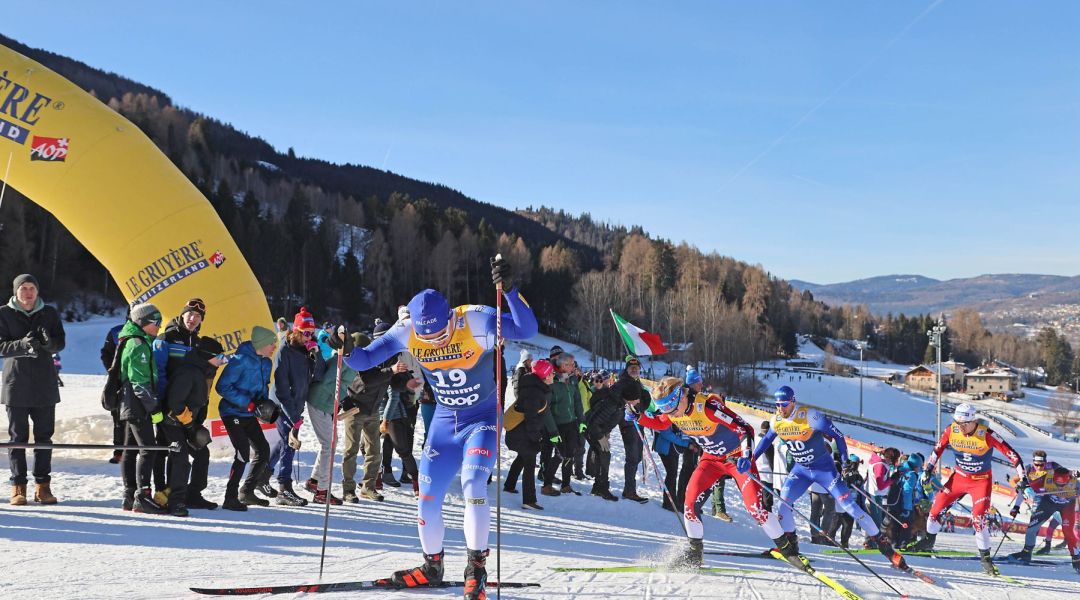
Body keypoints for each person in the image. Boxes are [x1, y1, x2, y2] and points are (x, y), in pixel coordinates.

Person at [340, 256, 537, 600]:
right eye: (426, 339)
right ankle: (432, 566)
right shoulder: (405, 330)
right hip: (445, 423)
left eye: (442, 335)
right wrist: (344, 348)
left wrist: (510, 290)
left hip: (481, 420)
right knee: (427, 497)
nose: (436, 344)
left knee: (474, 483)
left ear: (451, 317)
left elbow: (527, 329)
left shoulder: (474, 319)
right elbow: (365, 359)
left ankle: (476, 567)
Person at [629, 376, 792, 568]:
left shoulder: (707, 406)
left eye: (670, 409)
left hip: (736, 458)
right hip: (711, 460)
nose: (670, 414)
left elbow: (745, 429)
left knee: (755, 508)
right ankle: (695, 554)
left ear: (681, 397)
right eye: (664, 409)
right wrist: (640, 417)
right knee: (689, 504)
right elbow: (662, 423)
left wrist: (746, 456)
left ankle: (788, 550)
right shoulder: (672, 410)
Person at [747, 385, 912, 571]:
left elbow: (838, 436)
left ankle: (887, 550)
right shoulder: (776, 420)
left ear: (793, 401)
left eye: (784, 404)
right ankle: (791, 547)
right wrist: (750, 458)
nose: (780, 408)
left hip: (825, 471)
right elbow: (767, 439)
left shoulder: (810, 416)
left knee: (851, 507)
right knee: (782, 505)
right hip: (801, 471)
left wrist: (845, 463)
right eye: (777, 404)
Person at [917, 402, 1025, 575]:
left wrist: (1023, 476)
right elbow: (938, 449)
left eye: (963, 424)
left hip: (980, 482)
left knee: (978, 519)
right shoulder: (951, 430)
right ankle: (927, 543)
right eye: (957, 423)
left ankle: (986, 559)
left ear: (973, 421)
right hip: (959, 478)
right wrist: (928, 469)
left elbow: (1012, 455)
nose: (960, 427)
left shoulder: (987, 434)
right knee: (935, 510)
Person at [1, 274, 65, 505]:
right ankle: (18, 487)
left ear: (37, 291)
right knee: (18, 438)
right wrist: (22, 345)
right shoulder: (4, 313)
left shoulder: (49, 313)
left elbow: (60, 343)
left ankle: (43, 487)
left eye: (31, 288)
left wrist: (48, 343)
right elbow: (1, 346)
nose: (28, 293)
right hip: (16, 385)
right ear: (16, 291)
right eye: (23, 288)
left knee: (44, 438)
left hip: (44, 385)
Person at [158, 298, 226, 515]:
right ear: (182, 314)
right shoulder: (166, 338)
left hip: (190, 411)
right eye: (190, 314)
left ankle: (192, 494)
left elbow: (204, 379)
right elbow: (158, 372)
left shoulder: (198, 344)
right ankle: (167, 496)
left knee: (200, 451)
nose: (193, 319)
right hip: (170, 409)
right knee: (172, 454)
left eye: (197, 316)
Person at [265, 307, 326, 506]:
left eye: (312, 333)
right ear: (296, 331)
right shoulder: (285, 350)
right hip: (282, 404)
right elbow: (282, 388)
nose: (309, 336)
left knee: (284, 442)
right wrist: (293, 416)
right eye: (306, 333)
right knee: (289, 444)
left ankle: (262, 475)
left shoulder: (308, 349)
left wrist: (316, 355)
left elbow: (319, 376)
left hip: (297, 403)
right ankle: (284, 488)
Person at [216, 326, 278, 511]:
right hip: (231, 412)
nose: (274, 346)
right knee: (243, 452)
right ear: (261, 344)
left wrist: (264, 406)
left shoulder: (266, 363)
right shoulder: (240, 360)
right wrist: (248, 404)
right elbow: (222, 387)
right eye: (271, 343)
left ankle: (247, 492)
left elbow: (263, 388)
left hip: (248, 413)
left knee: (263, 450)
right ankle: (230, 497)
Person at [117, 303, 167, 513]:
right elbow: (140, 384)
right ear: (143, 322)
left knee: (130, 449)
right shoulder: (138, 344)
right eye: (156, 322)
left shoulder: (135, 339)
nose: (159, 326)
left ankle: (129, 495)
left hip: (130, 404)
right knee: (149, 448)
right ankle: (142, 496)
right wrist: (154, 409)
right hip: (137, 405)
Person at [339, 332, 391, 502]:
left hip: (373, 411)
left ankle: (368, 487)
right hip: (354, 411)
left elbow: (384, 379)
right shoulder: (350, 363)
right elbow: (367, 381)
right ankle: (348, 489)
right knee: (351, 450)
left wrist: (404, 381)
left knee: (374, 450)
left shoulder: (375, 361)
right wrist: (346, 403)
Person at [1008, 452, 1080, 572]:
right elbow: (1023, 484)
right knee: (1032, 527)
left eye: (1042, 464)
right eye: (1037, 464)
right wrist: (1022, 488)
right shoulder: (1038, 474)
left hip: (1067, 506)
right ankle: (1026, 553)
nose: (1039, 467)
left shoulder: (1070, 479)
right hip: (1048, 503)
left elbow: (1067, 471)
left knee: (1069, 532)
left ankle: (1076, 558)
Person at [504, 358, 553, 509]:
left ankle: (509, 485)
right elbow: (531, 418)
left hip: (519, 432)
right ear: (544, 375)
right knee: (529, 462)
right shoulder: (535, 392)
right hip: (522, 434)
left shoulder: (533, 387)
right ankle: (529, 500)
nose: (553, 376)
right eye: (550, 373)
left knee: (522, 457)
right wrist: (535, 438)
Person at [540, 352, 584, 497]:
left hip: (570, 423)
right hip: (555, 425)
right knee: (560, 455)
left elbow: (577, 400)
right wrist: (552, 432)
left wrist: (581, 420)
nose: (574, 366)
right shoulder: (551, 380)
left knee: (570, 454)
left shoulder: (572, 379)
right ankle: (546, 485)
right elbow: (545, 409)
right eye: (571, 364)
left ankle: (566, 485)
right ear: (563, 365)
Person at [613, 356, 650, 503]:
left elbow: (644, 403)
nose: (634, 369)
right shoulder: (622, 382)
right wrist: (625, 402)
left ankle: (630, 489)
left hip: (639, 422)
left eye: (637, 368)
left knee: (638, 457)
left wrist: (643, 400)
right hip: (628, 424)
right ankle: (629, 491)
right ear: (627, 369)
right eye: (631, 368)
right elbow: (614, 398)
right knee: (632, 457)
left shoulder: (638, 382)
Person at [583, 370, 623, 501]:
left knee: (602, 455)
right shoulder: (612, 402)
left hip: (597, 429)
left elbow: (606, 420)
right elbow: (594, 422)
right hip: (592, 429)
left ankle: (598, 487)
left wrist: (606, 433)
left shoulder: (617, 402)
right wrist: (601, 436)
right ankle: (602, 489)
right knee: (604, 455)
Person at [100, 315, 128, 464]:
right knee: (118, 418)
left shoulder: (150, 331)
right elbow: (105, 353)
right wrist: (113, 372)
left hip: (140, 382)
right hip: (117, 383)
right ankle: (119, 452)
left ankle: (138, 450)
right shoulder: (116, 331)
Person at [865, 446, 902, 547]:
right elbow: (881, 486)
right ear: (890, 458)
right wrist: (892, 479)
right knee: (876, 523)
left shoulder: (879, 462)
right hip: (875, 496)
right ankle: (870, 544)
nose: (894, 463)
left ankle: (869, 542)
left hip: (873, 494)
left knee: (873, 521)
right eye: (895, 460)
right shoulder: (880, 465)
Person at [828, 454, 865, 548]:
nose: (855, 466)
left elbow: (860, 485)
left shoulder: (857, 476)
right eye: (854, 464)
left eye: (856, 464)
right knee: (836, 522)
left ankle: (844, 543)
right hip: (841, 501)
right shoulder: (842, 471)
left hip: (851, 502)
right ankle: (829, 539)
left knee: (848, 525)